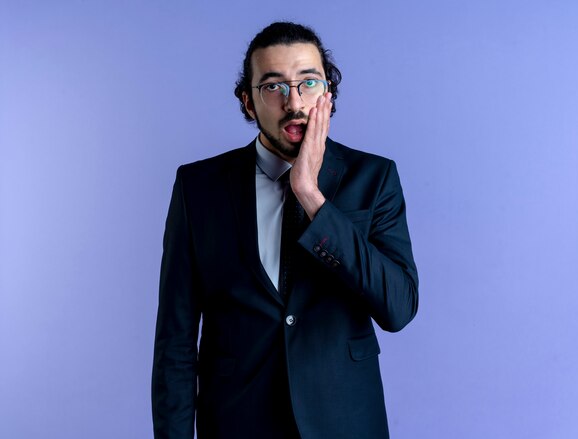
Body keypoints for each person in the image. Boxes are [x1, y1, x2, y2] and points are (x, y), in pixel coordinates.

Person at [151, 21, 419, 439]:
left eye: (308, 83)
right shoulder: (197, 188)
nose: (294, 102)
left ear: (327, 94)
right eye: (274, 87)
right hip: (237, 422)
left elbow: (398, 308)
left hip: (344, 421)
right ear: (247, 102)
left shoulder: (374, 178)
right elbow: (176, 342)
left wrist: (311, 196)